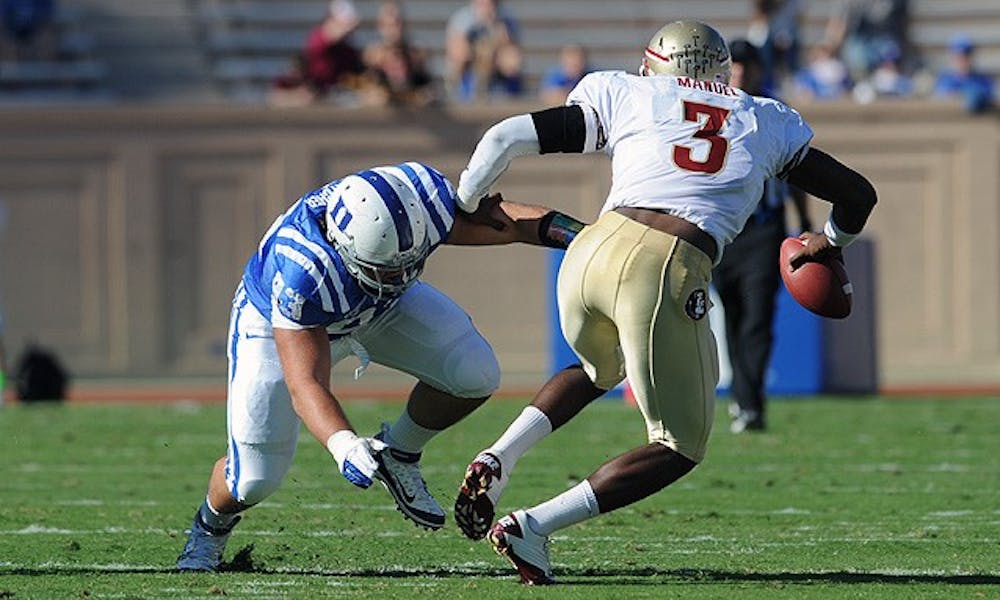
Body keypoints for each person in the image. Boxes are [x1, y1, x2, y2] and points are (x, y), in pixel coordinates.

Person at [451, 20, 877, 584]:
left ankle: (498, 457)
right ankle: (533, 526)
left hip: (590, 249)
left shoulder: (628, 91)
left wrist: (465, 201)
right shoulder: (763, 116)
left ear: (655, 64)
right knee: (679, 445)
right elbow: (858, 194)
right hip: (670, 262)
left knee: (597, 368)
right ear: (723, 68)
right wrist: (830, 242)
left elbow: (504, 136)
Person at [176, 161, 585, 572]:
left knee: (473, 373)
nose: (401, 274)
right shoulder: (302, 270)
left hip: (376, 308)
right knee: (253, 479)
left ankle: (399, 453)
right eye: (386, 269)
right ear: (346, 248)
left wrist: (591, 240)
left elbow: (510, 224)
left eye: (406, 263)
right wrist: (344, 444)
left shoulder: (423, 199)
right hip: (278, 327)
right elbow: (306, 384)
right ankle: (209, 530)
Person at [712, 40, 811, 434]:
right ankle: (743, 397)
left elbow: (800, 168)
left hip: (765, 227)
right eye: (733, 67)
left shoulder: (773, 110)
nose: (739, 75)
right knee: (733, 316)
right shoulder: (710, 111)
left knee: (756, 317)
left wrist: (803, 219)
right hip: (725, 227)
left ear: (756, 70)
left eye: (745, 67)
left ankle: (751, 403)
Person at [269, 0, 364, 106]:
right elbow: (276, 95)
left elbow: (356, 81)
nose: (347, 28)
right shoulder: (317, 41)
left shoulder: (348, 51)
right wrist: (298, 97)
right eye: (342, 24)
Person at [358, 1, 436, 108]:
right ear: (380, 26)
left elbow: (429, 91)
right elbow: (364, 94)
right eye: (390, 25)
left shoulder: (416, 55)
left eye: (398, 23)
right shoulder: (372, 56)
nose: (395, 30)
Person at [444, 0, 521, 102]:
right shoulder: (462, 19)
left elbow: (511, 49)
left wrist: (495, 27)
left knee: (511, 56)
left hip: (496, 64)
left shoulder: (506, 18)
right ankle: (462, 90)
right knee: (464, 51)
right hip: (471, 65)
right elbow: (456, 50)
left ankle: (509, 92)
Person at [933, 35, 995, 114]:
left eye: (965, 55)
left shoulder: (983, 80)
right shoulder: (944, 80)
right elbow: (940, 98)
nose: (962, 60)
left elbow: (989, 97)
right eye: (958, 56)